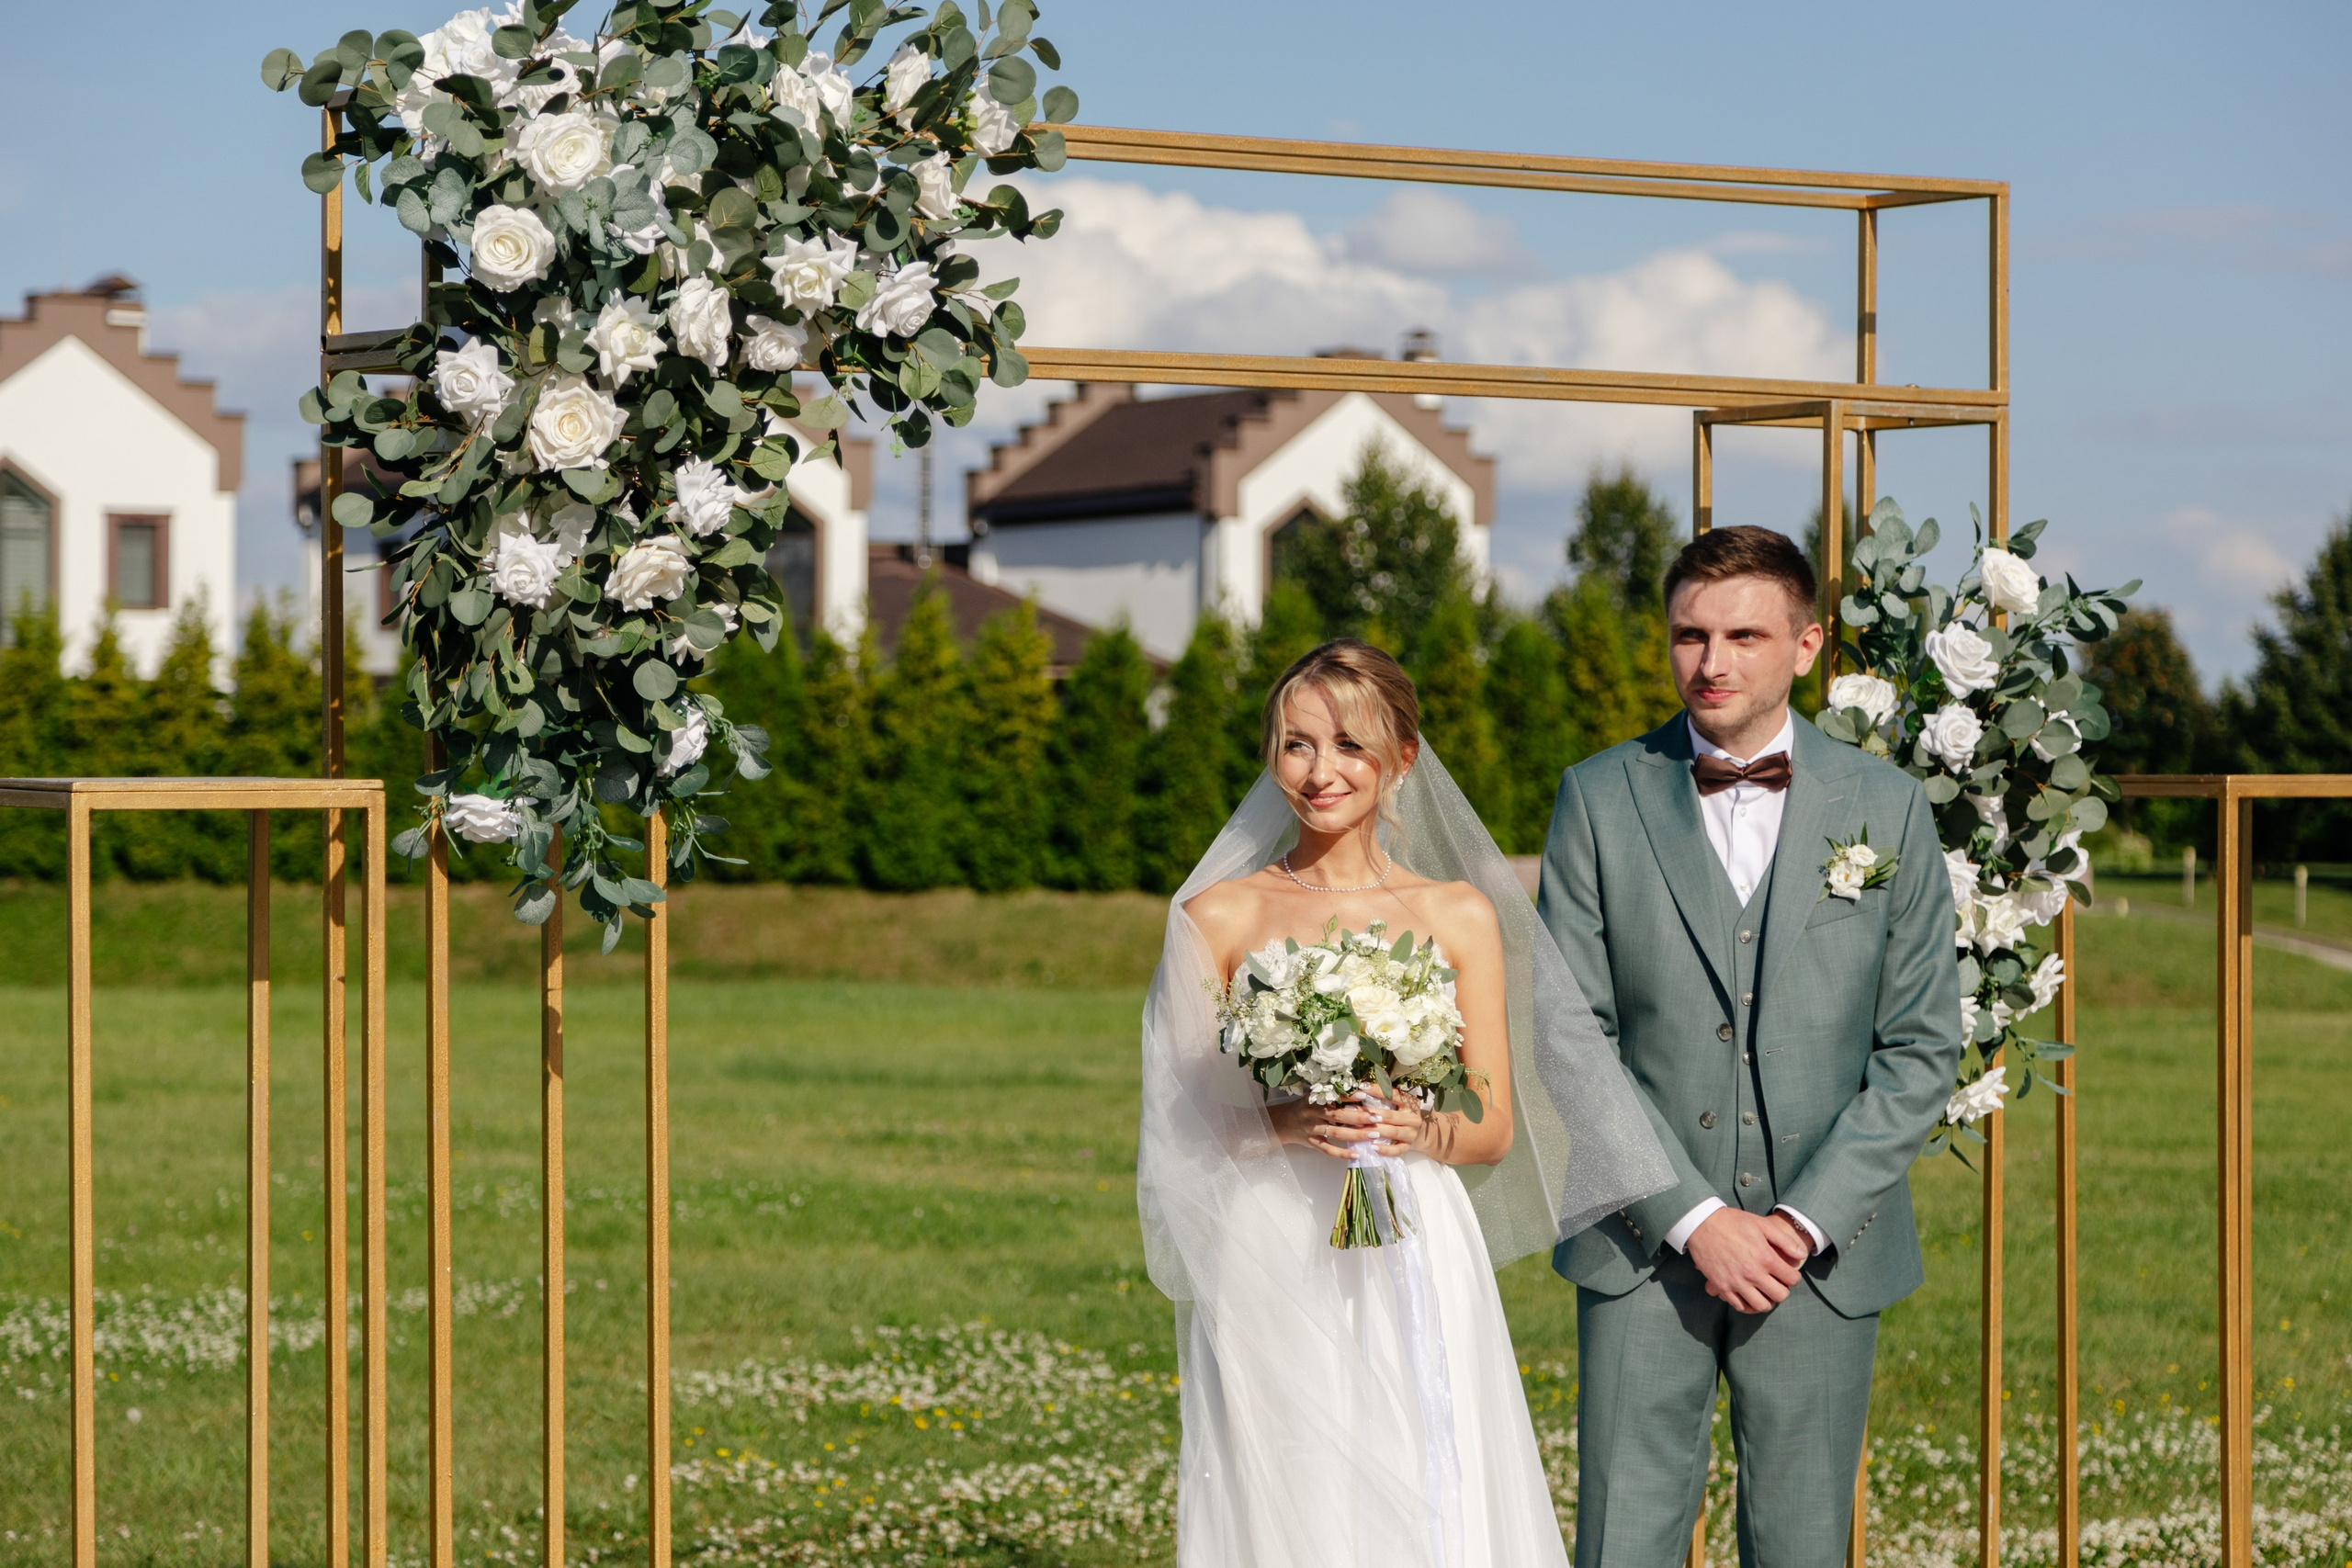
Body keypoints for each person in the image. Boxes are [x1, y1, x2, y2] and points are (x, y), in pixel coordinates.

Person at [1138, 638, 1674, 1568]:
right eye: (1297, 744)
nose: (1321, 771)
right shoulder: (1216, 918)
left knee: (1424, 1463)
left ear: (1402, 759)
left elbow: (1495, 1127)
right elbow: (1182, 1130)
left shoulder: (1457, 913)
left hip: (1414, 1228)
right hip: (1272, 1236)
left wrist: (1421, 1125)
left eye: (1350, 745)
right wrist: (1286, 1122)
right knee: (1291, 1472)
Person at [1538, 526, 1962, 1568]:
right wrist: (1692, 1219)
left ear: (1807, 645)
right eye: (1688, 635)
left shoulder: (1887, 808)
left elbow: (1919, 1048)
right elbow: (1565, 1034)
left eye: (1742, 634)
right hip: (1641, 1246)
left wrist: (1800, 1220)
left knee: (1804, 1539)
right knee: (1623, 1539)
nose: (1711, 662)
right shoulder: (1597, 796)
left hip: (1819, 1256)